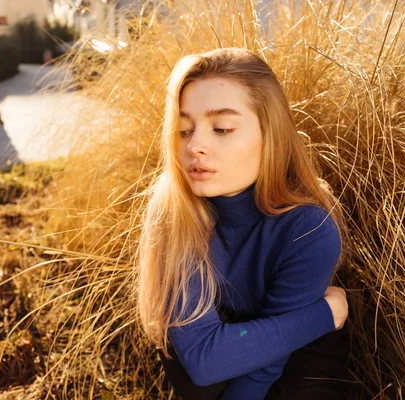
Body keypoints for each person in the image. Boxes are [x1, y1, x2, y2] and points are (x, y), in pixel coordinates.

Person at [136, 47, 351, 400]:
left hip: (298, 371)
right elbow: (205, 361)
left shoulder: (308, 227)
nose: (196, 146)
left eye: (221, 129)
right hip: (217, 367)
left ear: (270, 135)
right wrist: (324, 314)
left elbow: (267, 367)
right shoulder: (173, 211)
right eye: (185, 129)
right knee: (191, 367)